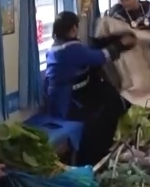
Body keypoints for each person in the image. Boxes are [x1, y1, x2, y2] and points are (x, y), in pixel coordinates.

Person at [45, 11, 134, 165]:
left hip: (59, 95)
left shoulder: (57, 46)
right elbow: (99, 57)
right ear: (73, 28)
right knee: (99, 119)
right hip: (65, 101)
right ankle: (94, 158)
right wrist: (121, 45)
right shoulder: (69, 49)